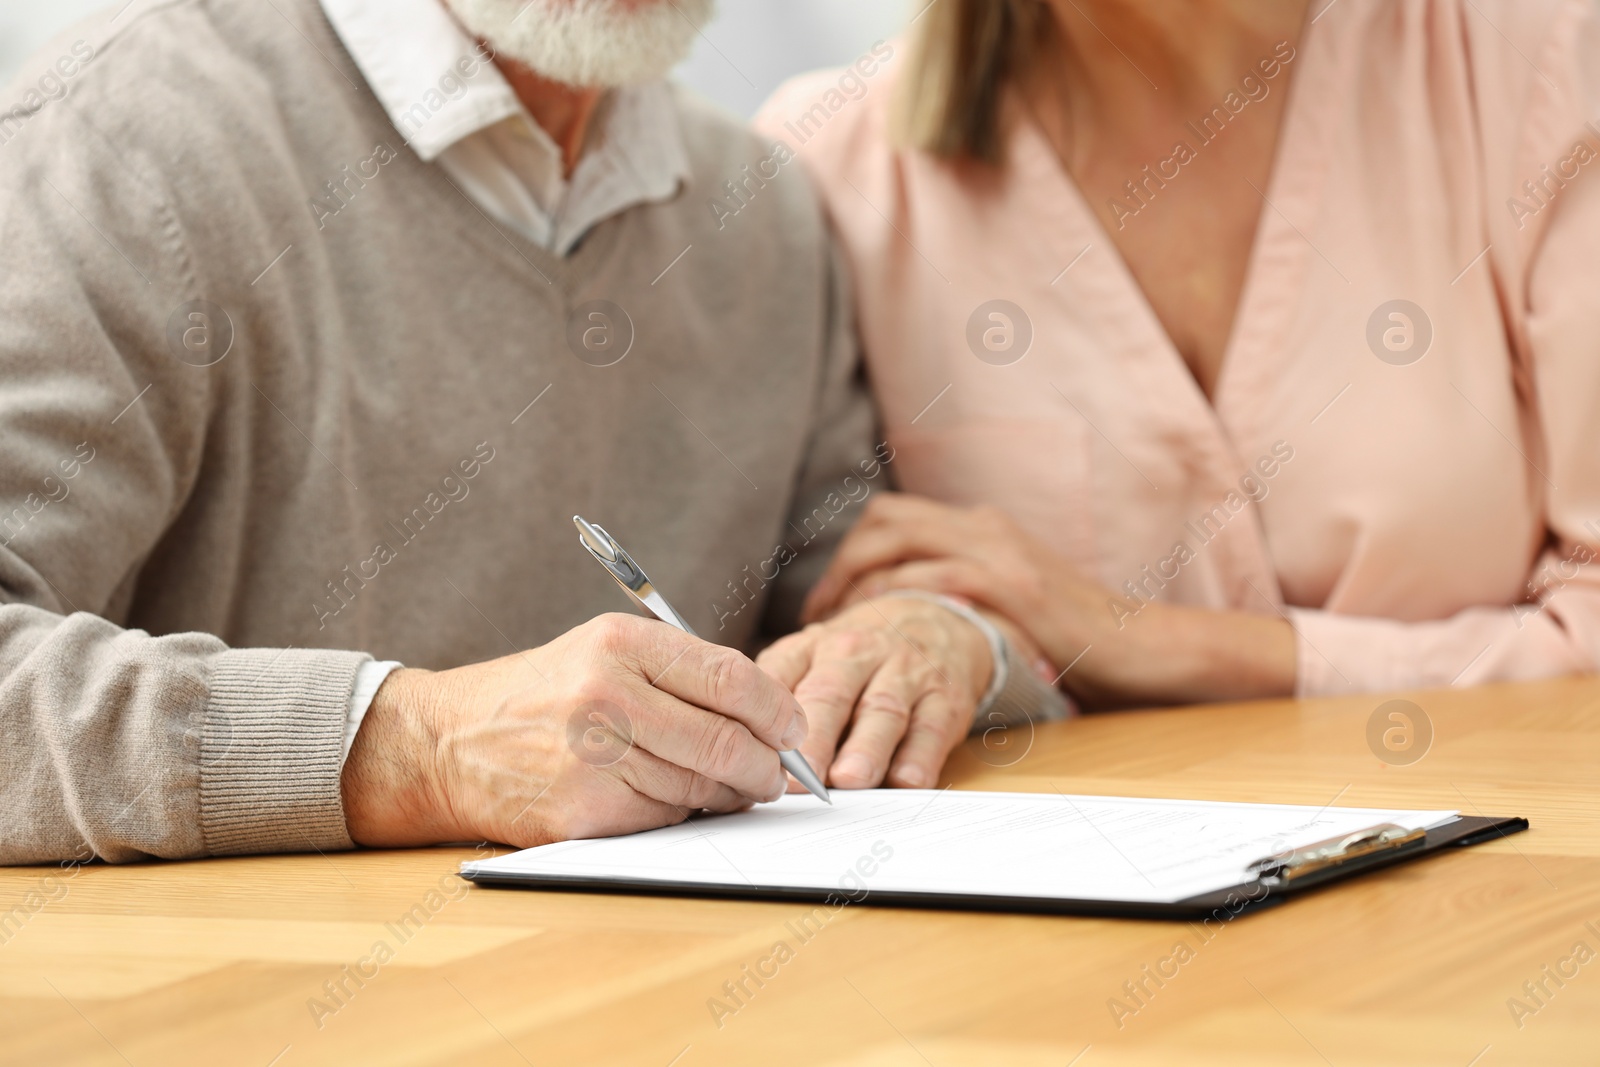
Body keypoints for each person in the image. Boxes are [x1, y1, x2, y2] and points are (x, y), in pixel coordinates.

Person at [0, 0, 1060, 867]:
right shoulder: (109, 147)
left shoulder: (763, 211)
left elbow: (851, 579)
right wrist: (414, 748)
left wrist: (934, 633)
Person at [757, 0, 1600, 706]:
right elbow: (826, 626)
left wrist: (1159, 644)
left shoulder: (1544, 63)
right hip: (1078, 893)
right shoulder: (822, 171)